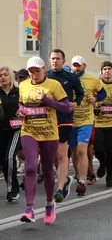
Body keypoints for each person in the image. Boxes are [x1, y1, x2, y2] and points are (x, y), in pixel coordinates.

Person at [18, 56, 71, 224]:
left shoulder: (53, 85)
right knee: (31, 167)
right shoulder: (23, 85)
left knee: (48, 171)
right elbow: (21, 104)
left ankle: (49, 203)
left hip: (49, 133)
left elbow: (66, 106)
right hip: (29, 131)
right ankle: (29, 209)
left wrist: (47, 100)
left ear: (43, 69)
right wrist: (20, 112)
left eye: (37, 71)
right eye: (31, 71)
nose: (34, 74)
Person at [46, 49, 85, 203]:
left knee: (62, 154)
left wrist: (77, 102)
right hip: (48, 120)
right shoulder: (46, 76)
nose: (55, 61)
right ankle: (65, 179)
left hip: (65, 118)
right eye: (53, 58)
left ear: (63, 61)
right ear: (49, 60)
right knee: (55, 156)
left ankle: (60, 188)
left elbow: (80, 93)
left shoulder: (71, 77)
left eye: (58, 58)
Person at [70, 56, 107, 196]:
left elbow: (103, 92)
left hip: (86, 119)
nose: (76, 68)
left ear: (84, 66)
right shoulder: (68, 79)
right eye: (74, 65)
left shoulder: (92, 80)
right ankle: (78, 173)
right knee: (74, 151)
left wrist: (96, 98)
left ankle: (82, 181)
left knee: (82, 149)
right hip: (71, 120)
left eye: (78, 65)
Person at [93, 62, 112, 187]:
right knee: (98, 150)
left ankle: (109, 177)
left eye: (109, 69)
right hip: (99, 122)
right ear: (101, 71)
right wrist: (95, 107)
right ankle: (102, 163)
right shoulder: (97, 85)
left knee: (110, 151)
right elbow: (91, 100)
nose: (107, 71)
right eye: (104, 69)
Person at [0, 67, 19, 202]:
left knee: (10, 157)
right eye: (0, 75)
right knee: (3, 161)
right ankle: (13, 186)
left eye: (5, 75)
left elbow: (25, 106)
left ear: (10, 76)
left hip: (16, 129)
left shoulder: (18, 92)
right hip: (1, 130)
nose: (3, 77)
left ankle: (12, 190)